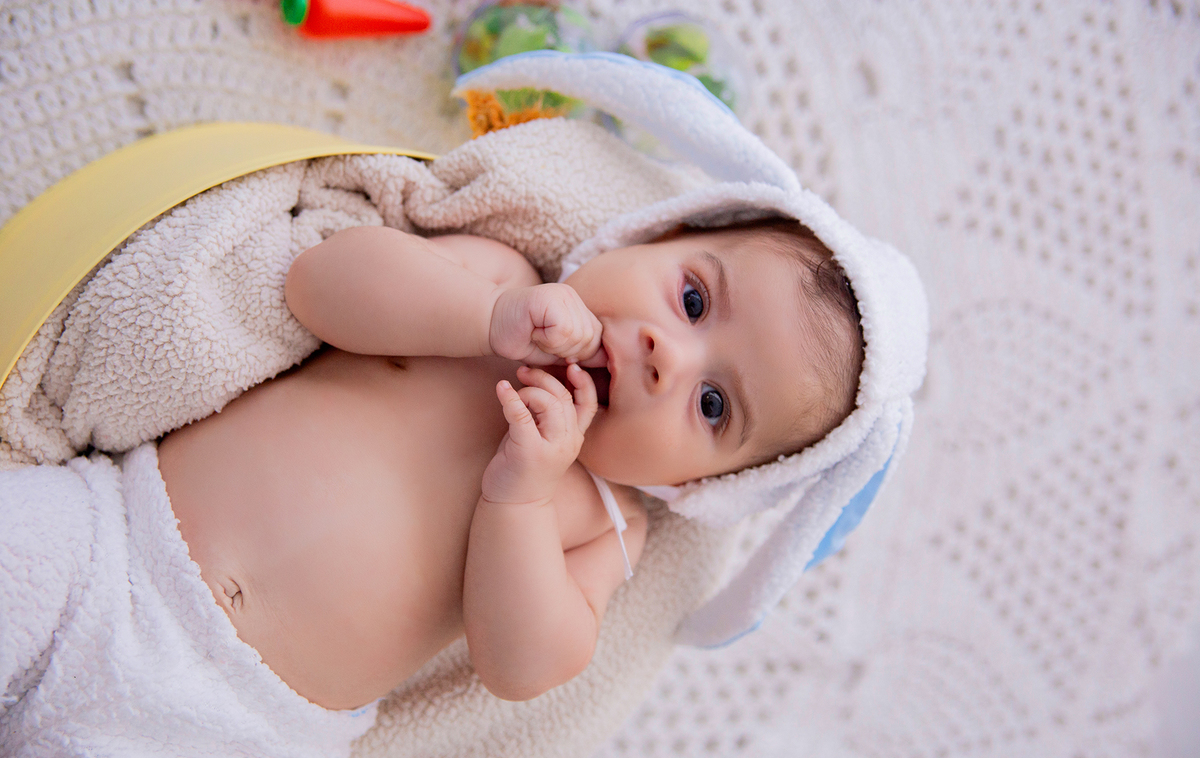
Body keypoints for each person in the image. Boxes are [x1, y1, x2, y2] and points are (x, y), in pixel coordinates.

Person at [154, 216, 865, 712]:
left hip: (249, 717)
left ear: (702, 485)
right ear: (656, 237)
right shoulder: (495, 282)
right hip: (131, 533)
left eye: (713, 405)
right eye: (692, 299)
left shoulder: (605, 523)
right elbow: (315, 282)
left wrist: (520, 499)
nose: (667, 355)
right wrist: (486, 314)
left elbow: (520, 669)